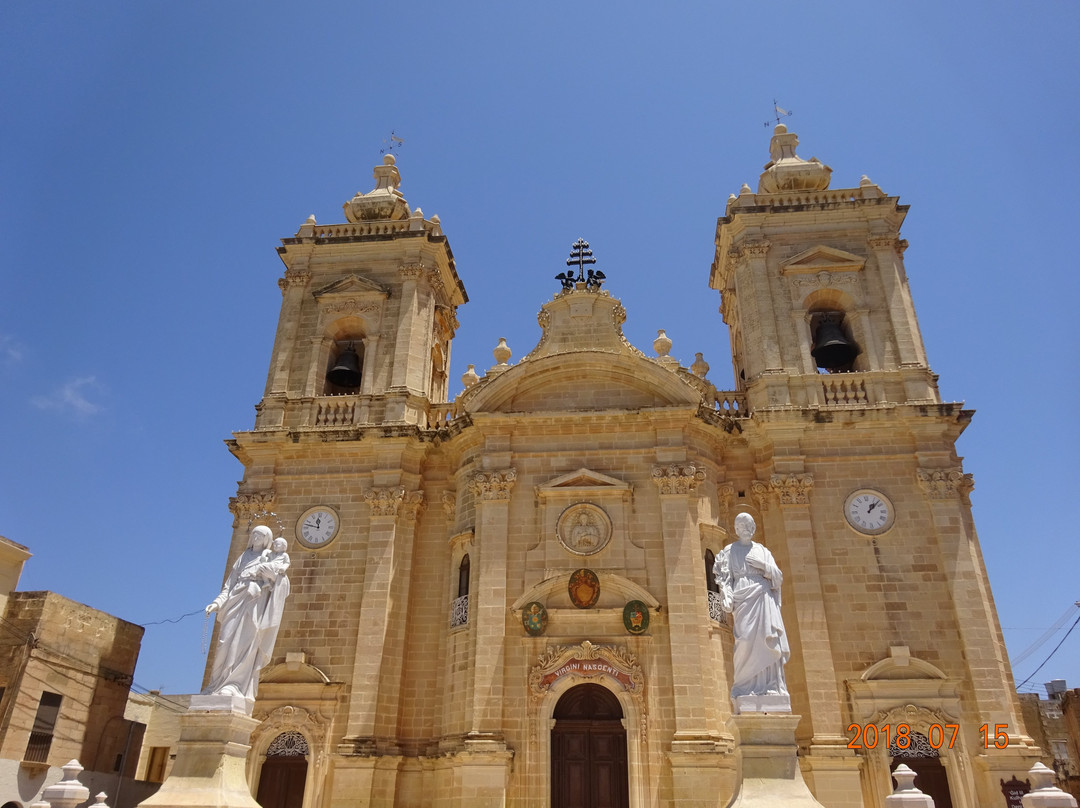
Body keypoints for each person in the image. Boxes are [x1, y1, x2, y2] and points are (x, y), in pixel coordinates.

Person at [204, 526, 291, 701]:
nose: (255, 537)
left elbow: (282, 580)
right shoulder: (243, 557)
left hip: (254, 604)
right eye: (254, 534)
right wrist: (217, 602)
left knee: (245, 643)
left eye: (260, 535)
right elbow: (229, 584)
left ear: (267, 538)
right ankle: (216, 683)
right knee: (224, 642)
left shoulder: (271, 556)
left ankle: (234, 684)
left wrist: (273, 578)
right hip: (235, 601)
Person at [713, 512, 790, 705]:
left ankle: (771, 686)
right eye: (740, 526)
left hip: (763, 596)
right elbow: (724, 577)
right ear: (736, 529)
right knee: (745, 639)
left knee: (767, 636)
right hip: (743, 599)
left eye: (748, 526)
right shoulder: (729, 551)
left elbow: (778, 578)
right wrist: (726, 595)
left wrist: (764, 566)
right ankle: (745, 686)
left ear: (753, 528)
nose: (745, 529)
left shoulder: (763, 551)